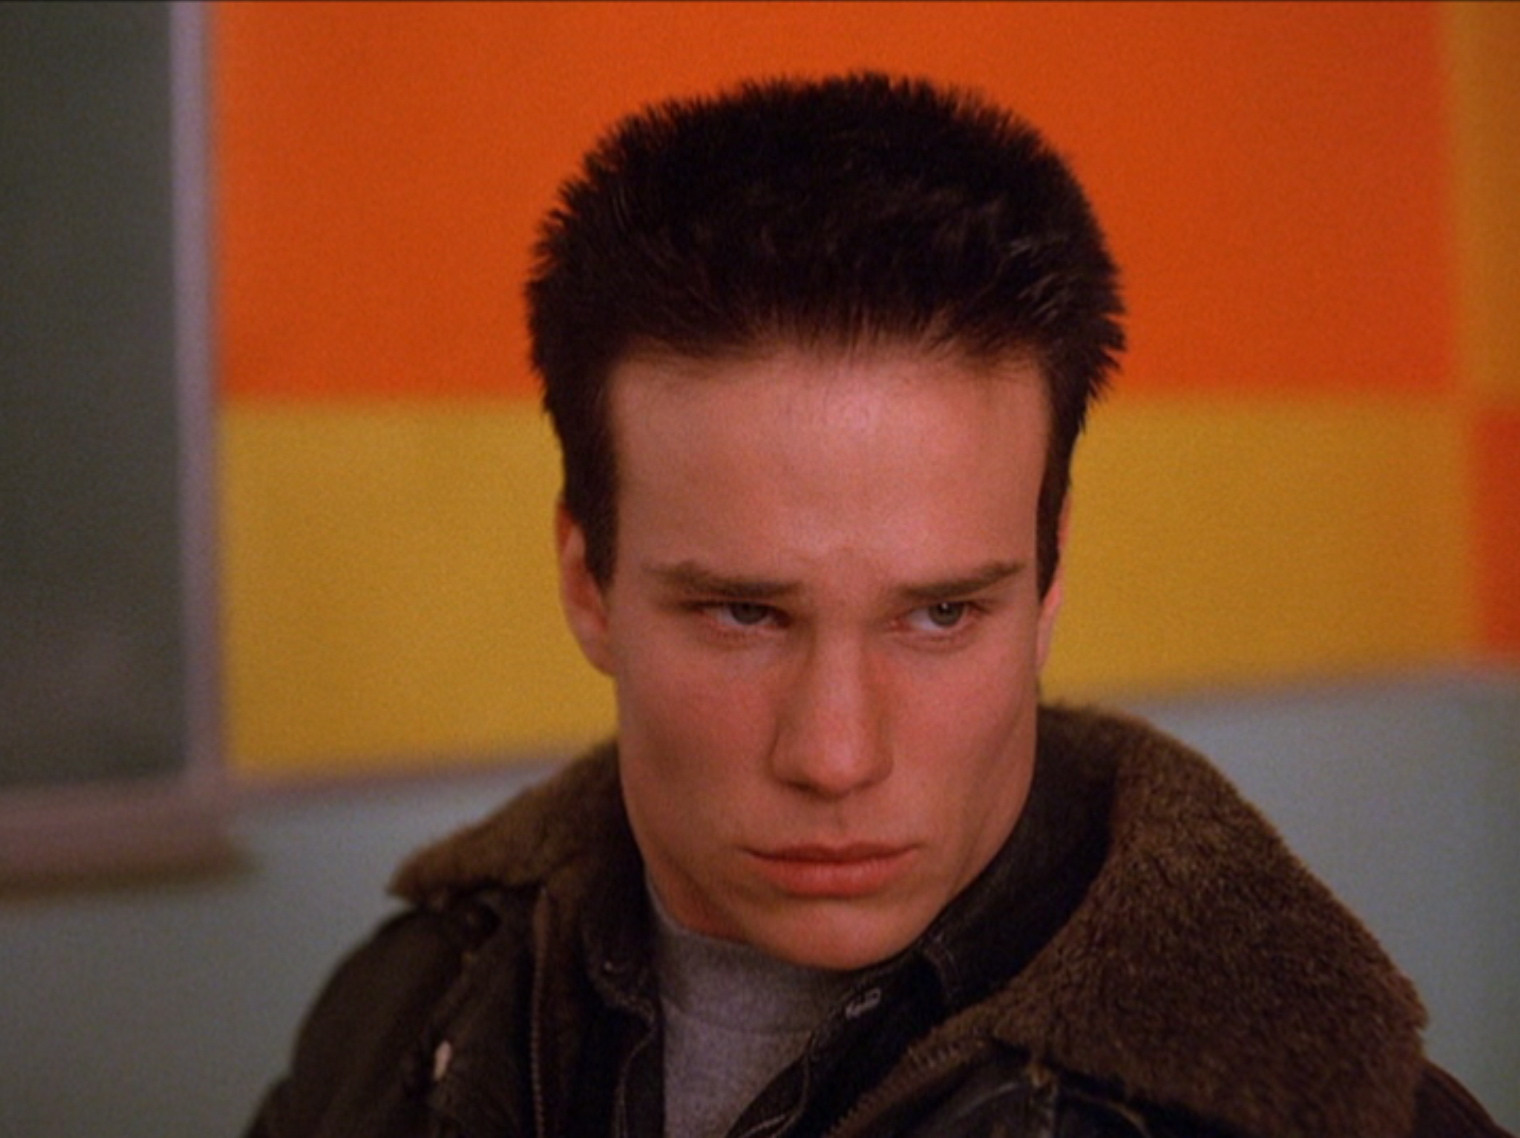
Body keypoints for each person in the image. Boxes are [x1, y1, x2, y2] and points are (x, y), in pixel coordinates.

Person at [246, 72, 1511, 1138]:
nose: (836, 755)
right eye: (744, 615)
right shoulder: (404, 1017)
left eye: (940, 615)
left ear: (1048, 581)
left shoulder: (1340, 1115)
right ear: (587, 582)